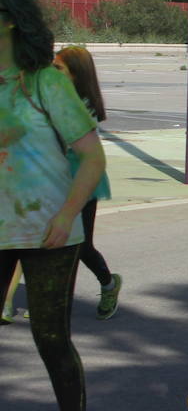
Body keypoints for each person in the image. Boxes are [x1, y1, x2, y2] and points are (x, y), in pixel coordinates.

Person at [0, 0, 108, 411]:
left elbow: (91, 158)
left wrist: (66, 215)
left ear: (8, 20)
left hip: (51, 233)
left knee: (50, 338)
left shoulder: (46, 81)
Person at [52, 46, 122, 319]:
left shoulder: (83, 107)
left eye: (59, 69)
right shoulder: (54, 97)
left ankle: (109, 283)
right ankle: (53, 297)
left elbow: (67, 142)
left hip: (82, 180)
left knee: (81, 246)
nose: (53, 73)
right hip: (54, 179)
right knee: (52, 241)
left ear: (75, 75)